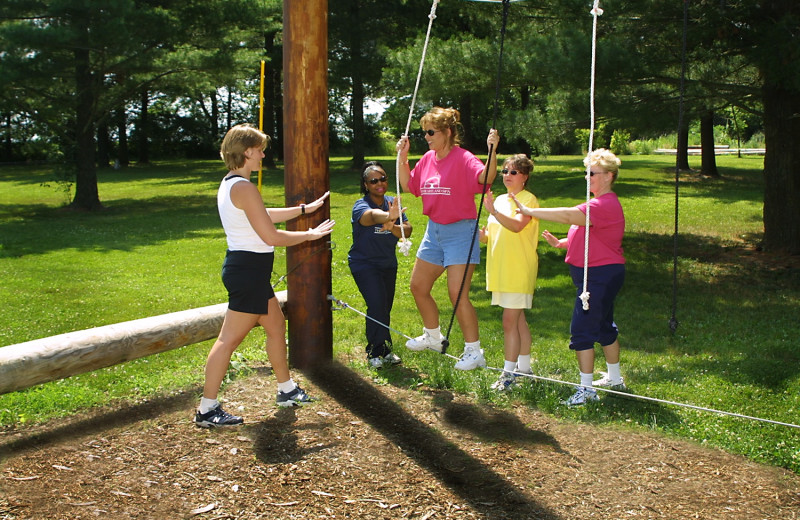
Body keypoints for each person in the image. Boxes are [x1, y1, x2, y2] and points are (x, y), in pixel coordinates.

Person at [194, 123, 335, 428]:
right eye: (258, 149)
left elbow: (262, 213)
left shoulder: (234, 184)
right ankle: (207, 409)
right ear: (246, 151)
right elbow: (270, 236)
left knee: (275, 325)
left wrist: (302, 209)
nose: (262, 154)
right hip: (247, 273)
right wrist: (309, 234)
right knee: (227, 341)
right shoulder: (243, 187)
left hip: (248, 271)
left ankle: (286, 390)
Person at [511, 148, 627, 406]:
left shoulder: (602, 204)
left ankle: (586, 391)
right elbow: (590, 233)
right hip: (603, 273)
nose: (588, 178)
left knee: (582, 331)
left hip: (597, 276)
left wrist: (530, 212)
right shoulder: (601, 205)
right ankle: (615, 379)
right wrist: (563, 243)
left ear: (609, 176)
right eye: (586, 173)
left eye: (593, 173)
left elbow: (567, 215)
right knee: (604, 326)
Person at [396, 106, 500, 370]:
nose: (427, 137)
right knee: (418, 286)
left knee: (457, 293)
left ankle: (474, 351)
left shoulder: (463, 158)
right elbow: (410, 186)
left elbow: (486, 178)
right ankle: (432, 336)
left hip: (461, 231)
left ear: (447, 132)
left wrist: (492, 151)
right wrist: (403, 157)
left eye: (431, 132)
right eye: (425, 133)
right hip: (435, 231)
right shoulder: (428, 159)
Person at [480, 154, 540, 391]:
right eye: (505, 171)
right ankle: (524, 369)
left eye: (513, 172)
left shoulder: (528, 199)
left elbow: (517, 225)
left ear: (524, 176)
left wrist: (493, 211)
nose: (507, 176)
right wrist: (483, 236)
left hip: (518, 268)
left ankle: (508, 374)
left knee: (509, 323)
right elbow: (498, 233)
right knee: (518, 321)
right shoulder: (502, 200)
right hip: (501, 269)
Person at [348, 161, 413, 369]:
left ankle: (384, 350)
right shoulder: (362, 204)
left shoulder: (391, 202)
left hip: (387, 263)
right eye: (373, 180)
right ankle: (374, 352)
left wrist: (392, 225)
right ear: (366, 184)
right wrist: (389, 217)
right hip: (364, 264)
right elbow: (369, 218)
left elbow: (408, 229)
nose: (380, 183)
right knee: (376, 304)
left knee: (384, 307)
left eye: (383, 178)